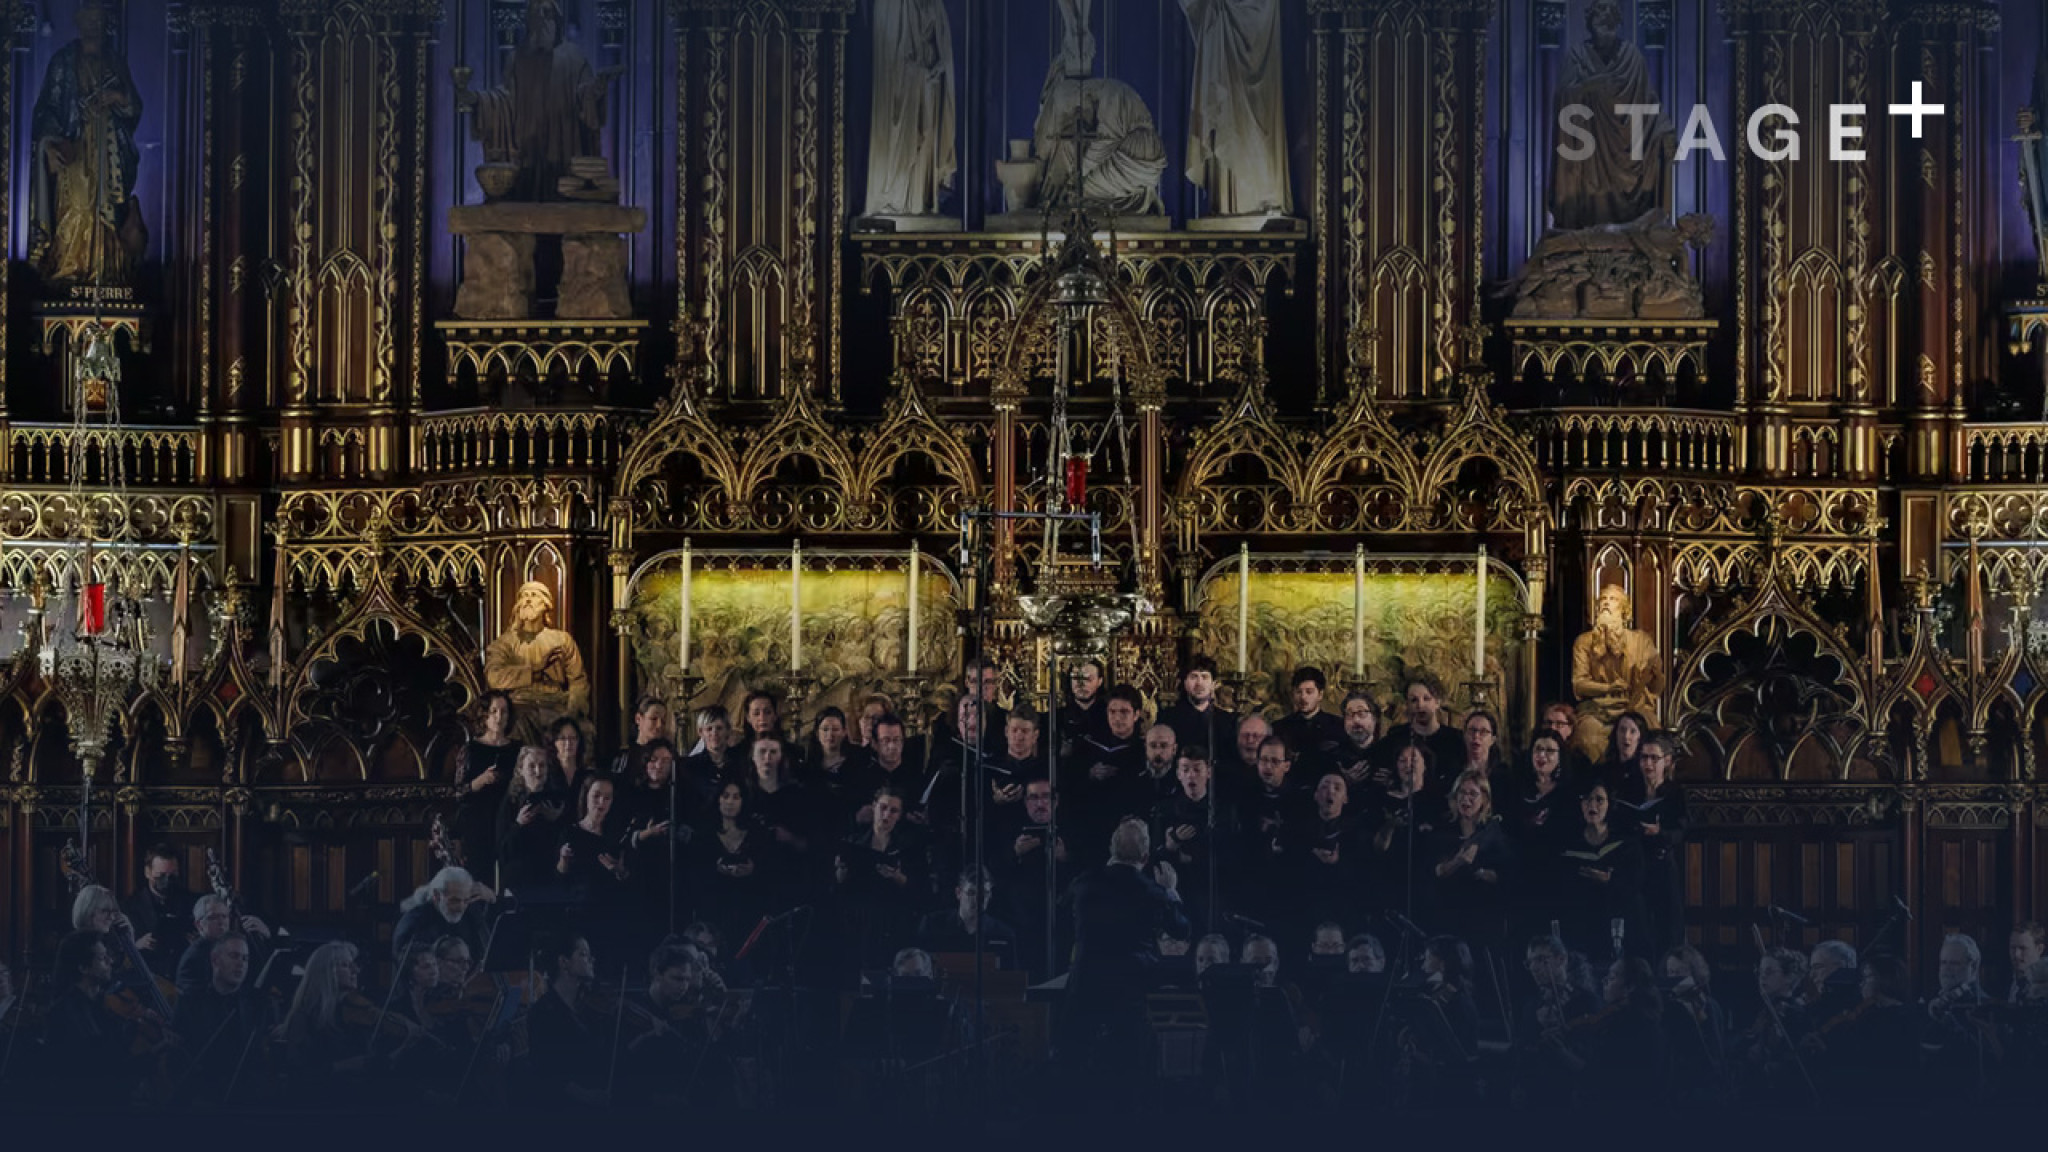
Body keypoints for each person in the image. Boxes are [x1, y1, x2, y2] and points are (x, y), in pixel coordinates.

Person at [1063, 819, 1190, 1089]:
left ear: (1112, 849)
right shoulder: (1153, 893)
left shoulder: (1083, 883)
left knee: (1077, 1070)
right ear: (1145, 857)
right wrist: (1171, 890)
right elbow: (1181, 929)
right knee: (1126, 1070)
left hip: (1085, 986)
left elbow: (1060, 915)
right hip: (1129, 991)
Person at [168, 932, 275, 1104]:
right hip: (202, 1099)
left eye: (245, 958)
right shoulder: (190, 1003)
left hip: (247, 1099)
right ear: (215, 960)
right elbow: (175, 1060)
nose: (241, 963)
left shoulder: (257, 1005)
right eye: (234, 956)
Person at [1555, 783, 1643, 960]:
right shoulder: (1568, 846)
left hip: (1616, 923)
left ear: (1609, 804)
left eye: (1599, 800)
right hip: (1581, 924)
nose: (1592, 805)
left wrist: (1610, 881)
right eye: (1586, 800)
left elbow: (1635, 884)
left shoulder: (1626, 844)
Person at [1626, 733, 1688, 954]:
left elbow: (1681, 831)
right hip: (1635, 866)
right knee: (1639, 928)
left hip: (1662, 865)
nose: (1648, 764)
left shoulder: (1674, 793)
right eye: (1643, 758)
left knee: (1667, 929)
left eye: (1654, 758)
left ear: (1667, 761)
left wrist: (1660, 832)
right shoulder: (1631, 790)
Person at [453, 691, 521, 878]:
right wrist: (480, 780)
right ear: (484, 715)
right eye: (494, 711)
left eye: (504, 712)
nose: (499, 717)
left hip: (509, 822)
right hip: (478, 824)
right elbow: (458, 794)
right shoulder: (471, 750)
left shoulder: (517, 749)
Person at [175, 893, 272, 996]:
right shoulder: (194, 957)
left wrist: (266, 936)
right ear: (199, 925)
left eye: (224, 916)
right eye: (213, 917)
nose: (221, 922)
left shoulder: (231, 947)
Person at [393, 866, 495, 963]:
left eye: (466, 900)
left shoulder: (469, 917)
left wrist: (492, 899)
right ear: (437, 896)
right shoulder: (415, 922)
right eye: (454, 900)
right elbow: (411, 968)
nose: (461, 908)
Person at [1378, 679, 1466, 790]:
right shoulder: (1396, 736)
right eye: (1414, 700)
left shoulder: (1455, 739)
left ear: (1437, 702)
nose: (1420, 705)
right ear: (1407, 705)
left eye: (1426, 699)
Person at [125, 845, 196, 974]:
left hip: (182, 972)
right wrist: (137, 946)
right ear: (147, 872)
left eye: (172, 876)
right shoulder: (130, 906)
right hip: (149, 974)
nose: (167, 882)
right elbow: (118, 951)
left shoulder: (190, 901)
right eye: (161, 875)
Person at [1159, 656, 1238, 755]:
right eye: (1193, 677)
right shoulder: (1168, 718)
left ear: (1214, 684)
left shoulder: (1228, 721)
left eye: (1204, 677)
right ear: (1184, 682)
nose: (1199, 683)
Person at [1271, 667, 1345, 769]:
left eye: (1309, 692)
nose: (1303, 697)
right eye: (1298, 692)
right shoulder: (1280, 727)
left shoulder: (1337, 726)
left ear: (1320, 694)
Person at [609, 696, 671, 779]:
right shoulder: (625, 757)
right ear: (638, 719)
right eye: (653, 719)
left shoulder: (669, 753)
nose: (659, 725)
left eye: (663, 721)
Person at [1059, 658, 1109, 748]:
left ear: (1099, 681)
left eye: (1088, 678)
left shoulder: (1109, 717)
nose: (1081, 684)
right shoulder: (1058, 718)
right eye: (1076, 678)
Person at [2007, 921, 2046, 1003]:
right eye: (2013, 948)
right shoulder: (2013, 979)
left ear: (2039, 949)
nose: (2016, 954)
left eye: (2023, 948)